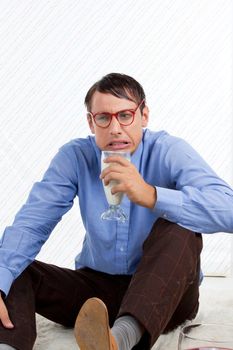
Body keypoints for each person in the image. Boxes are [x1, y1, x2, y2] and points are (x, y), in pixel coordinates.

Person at [0, 73, 232, 350]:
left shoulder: (169, 150)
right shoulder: (75, 157)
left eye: (125, 115)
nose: (115, 128)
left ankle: (120, 340)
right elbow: (31, 223)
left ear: (143, 115)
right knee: (10, 268)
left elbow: (228, 209)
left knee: (179, 227)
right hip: (96, 292)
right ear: (91, 122)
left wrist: (152, 195)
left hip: (167, 293)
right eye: (103, 118)